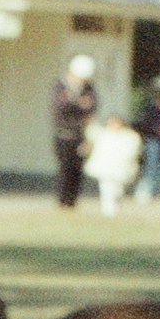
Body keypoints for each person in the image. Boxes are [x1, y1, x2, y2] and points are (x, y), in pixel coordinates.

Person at [51, 56, 100, 208]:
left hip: (81, 135)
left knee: (77, 169)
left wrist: (78, 105)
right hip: (63, 134)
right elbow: (61, 107)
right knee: (65, 167)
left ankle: (73, 201)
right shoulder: (60, 86)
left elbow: (92, 107)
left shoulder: (89, 88)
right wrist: (78, 104)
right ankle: (62, 201)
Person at [83, 110, 142, 216]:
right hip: (105, 168)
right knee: (106, 188)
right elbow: (92, 132)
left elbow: (134, 150)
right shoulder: (103, 134)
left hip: (121, 168)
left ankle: (115, 207)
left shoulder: (129, 136)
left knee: (118, 191)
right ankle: (108, 210)